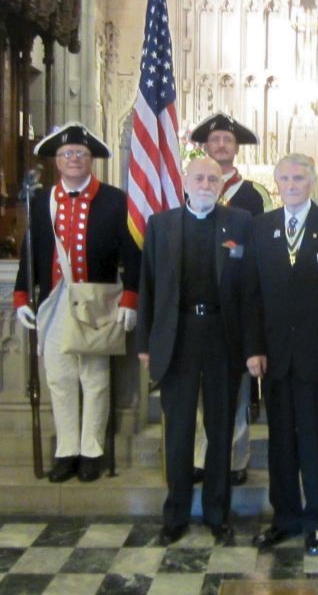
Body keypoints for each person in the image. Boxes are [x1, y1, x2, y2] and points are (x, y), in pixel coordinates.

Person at [244, 153, 318, 556]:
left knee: (317, 445)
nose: (291, 185)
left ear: (312, 182)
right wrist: (254, 347)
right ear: (276, 183)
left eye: (298, 178)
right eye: (285, 178)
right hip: (274, 359)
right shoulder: (262, 228)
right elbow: (253, 295)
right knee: (280, 445)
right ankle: (285, 518)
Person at [14, 123, 140, 484]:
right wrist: (22, 293)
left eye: (81, 154)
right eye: (67, 154)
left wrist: (130, 297)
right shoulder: (41, 201)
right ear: (57, 161)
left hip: (97, 301)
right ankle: (66, 450)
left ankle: (92, 451)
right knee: (60, 377)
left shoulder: (115, 200)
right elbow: (30, 251)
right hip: (54, 300)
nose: (74, 159)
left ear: (91, 161)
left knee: (95, 378)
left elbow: (133, 253)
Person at [135, 157, 251, 546]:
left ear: (222, 184)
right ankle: (176, 515)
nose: (206, 183)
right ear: (185, 182)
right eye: (199, 177)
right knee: (180, 430)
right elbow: (147, 286)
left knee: (220, 431)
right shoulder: (161, 225)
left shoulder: (239, 224)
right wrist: (145, 345)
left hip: (223, 337)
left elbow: (251, 290)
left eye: (213, 178)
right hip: (177, 337)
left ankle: (218, 514)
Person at [189, 112, 272, 488]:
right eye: (215, 140)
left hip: (237, 306)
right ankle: (199, 459)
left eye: (227, 140)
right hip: (195, 305)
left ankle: (236, 459)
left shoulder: (251, 195)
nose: (221, 145)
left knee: (236, 391)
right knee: (197, 393)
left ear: (236, 148)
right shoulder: (191, 189)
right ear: (205, 147)